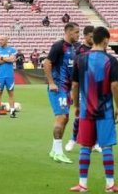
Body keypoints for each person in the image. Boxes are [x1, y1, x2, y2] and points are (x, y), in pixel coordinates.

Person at [68, 26, 118, 193]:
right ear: (106, 40)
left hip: (86, 110)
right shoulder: (111, 60)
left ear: (93, 39)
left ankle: (82, 184)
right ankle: (110, 184)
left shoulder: (80, 59)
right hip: (105, 110)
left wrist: (77, 105)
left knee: (85, 146)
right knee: (106, 147)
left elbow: (75, 84)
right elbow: (114, 85)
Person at [43, 22, 80, 163]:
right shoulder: (59, 46)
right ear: (69, 32)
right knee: (61, 118)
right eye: (76, 32)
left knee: (65, 118)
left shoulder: (74, 48)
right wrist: (51, 83)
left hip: (66, 89)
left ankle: (54, 150)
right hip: (58, 88)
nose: (78, 34)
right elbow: (47, 63)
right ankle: (58, 152)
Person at [66, 25, 95, 152]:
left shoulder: (99, 49)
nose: (93, 38)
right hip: (82, 87)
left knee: (96, 116)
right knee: (79, 115)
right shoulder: (78, 49)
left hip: (95, 87)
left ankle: (96, 143)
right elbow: (74, 70)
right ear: (86, 36)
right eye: (91, 36)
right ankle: (73, 139)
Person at [0, 35, 19, 118]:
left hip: (9, 75)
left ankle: (12, 111)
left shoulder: (12, 50)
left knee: (11, 93)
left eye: (2, 40)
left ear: (6, 40)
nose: (0, 41)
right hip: (0, 75)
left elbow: (12, 59)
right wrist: (7, 59)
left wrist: (1, 58)